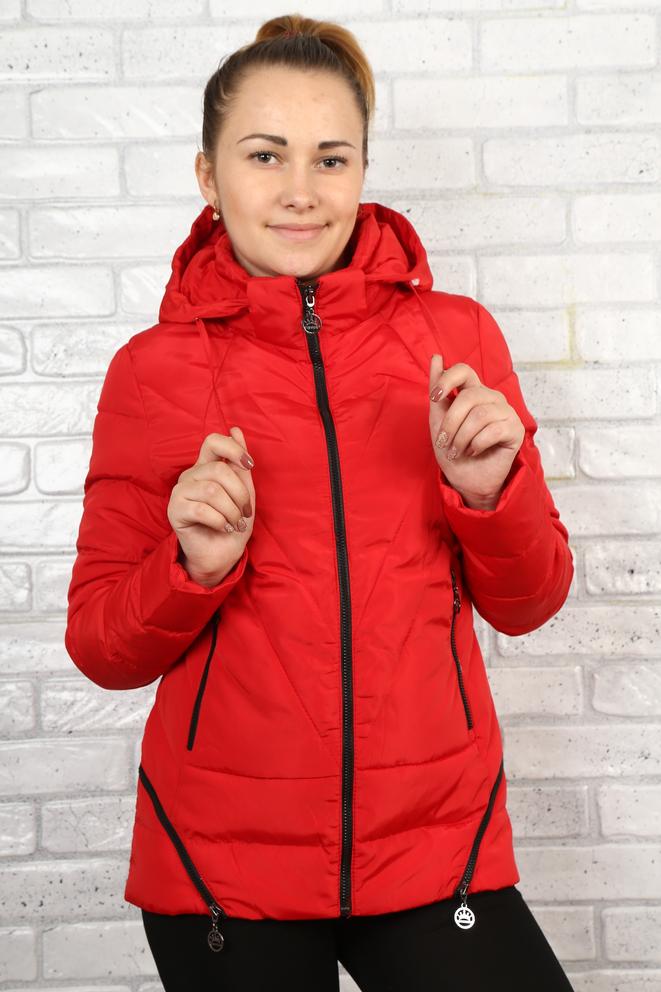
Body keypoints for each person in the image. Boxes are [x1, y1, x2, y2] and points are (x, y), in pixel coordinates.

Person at [64, 12, 576, 992]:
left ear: (362, 170)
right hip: (220, 865)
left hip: (434, 841)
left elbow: (530, 600)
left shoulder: (455, 340)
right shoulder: (152, 371)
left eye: (330, 159)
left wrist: (489, 494)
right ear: (208, 175)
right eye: (265, 155)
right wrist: (191, 569)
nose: (300, 189)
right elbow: (101, 646)